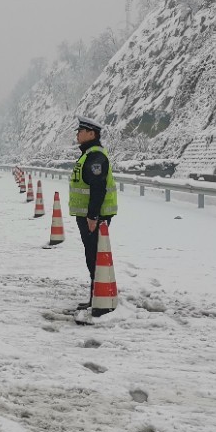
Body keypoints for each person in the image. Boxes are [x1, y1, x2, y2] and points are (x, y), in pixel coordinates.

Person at [68, 115, 117, 325]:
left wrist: (92, 216)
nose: (77, 134)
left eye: (80, 131)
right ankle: (94, 297)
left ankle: (98, 299)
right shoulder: (89, 154)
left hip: (94, 217)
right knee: (92, 256)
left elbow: (98, 189)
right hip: (89, 216)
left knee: (94, 257)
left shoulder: (95, 157)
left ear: (91, 134)